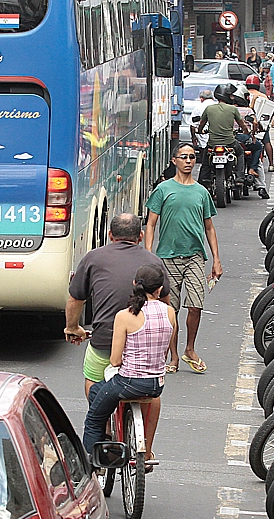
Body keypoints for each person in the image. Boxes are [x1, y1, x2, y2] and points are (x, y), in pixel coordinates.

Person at [66, 214, 172, 455]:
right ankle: (147, 449)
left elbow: (76, 298)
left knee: (93, 378)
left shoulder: (94, 257)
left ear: (110, 236)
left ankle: (103, 428)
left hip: (103, 341)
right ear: (141, 236)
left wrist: (73, 328)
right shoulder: (153, 260)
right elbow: (166, 306)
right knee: (151, 395)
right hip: (147, 356)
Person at [82, 264, 176, 463]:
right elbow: (164, 351)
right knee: (103, 392)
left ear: (134, 284)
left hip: (127, 383)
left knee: (94, 416)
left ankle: (91, 466)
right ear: (159, 289)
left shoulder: (125, 316)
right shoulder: (170, 313)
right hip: (155, 385)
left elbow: (115, 360)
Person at [145, 143, 223, 374]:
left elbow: (209, 227)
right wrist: (149, 254)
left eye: (192, 157)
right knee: (171, 310)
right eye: (183, 157)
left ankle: (190, 349)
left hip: (195, 257)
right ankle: (174, 356)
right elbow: (150, 224)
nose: (188, 161)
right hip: (167, 258)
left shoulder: (202, 192)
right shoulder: (163, 189)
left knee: (196, 305)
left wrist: (216, 259)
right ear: (174, 160)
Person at [196, 84, 250, 180]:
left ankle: (203, 181)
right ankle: (239, 177)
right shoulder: (233, 109)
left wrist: (200, 131)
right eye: (231, 96)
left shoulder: (209, 109)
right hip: (230, 143)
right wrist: (246, 131)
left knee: (205, 163)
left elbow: (201, 125)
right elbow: (242, 125)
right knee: (240, 153)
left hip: (212, 143)